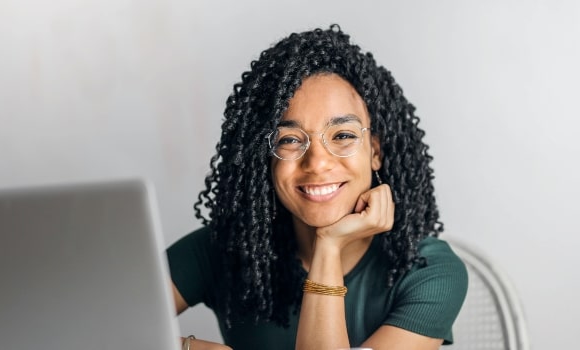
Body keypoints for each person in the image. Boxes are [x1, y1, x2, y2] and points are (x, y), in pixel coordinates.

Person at [166, 25, 468, 350]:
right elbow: (107, 325)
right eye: (290, 140)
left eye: (342, 136)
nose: (317, 163)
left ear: (375, 152)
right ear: (264, 158)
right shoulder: (221, 249)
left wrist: (328, 245)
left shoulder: (429, 271)